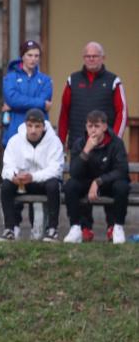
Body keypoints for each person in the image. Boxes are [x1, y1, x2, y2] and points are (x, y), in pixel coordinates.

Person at [57, 41, 129, 241]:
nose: (91, 59)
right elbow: (64, 112)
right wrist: (61, 141)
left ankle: (112, 227)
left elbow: (122, 111)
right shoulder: (72, 80)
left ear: (102, 58)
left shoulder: (113, 81)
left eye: (95, 56)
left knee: (112, 183)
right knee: (79, 181)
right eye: (87, 56)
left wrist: (113, 140)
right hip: (80, 144)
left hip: (107, 146)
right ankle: (84, 228)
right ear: (83, 58)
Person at [0, 108, 65, 242]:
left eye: (37, 126)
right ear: (25, 125)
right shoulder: (15, 140)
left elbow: (56, 169)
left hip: (42, 182)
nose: (33, 130)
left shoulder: (54, 141)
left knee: (53, 185)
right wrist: (14, 176)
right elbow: (7, 167)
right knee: (6, 186)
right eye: (30, 126)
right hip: (21, 182)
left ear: (43, 127)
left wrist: (33, 177)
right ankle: (9, 229)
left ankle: (52, 230)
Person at [62, 110, 130, 245]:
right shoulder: (80, 143)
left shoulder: (116, 143)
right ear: (86, 127)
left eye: (97, 126)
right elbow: (74, 172)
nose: (93, 130)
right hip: (86, 183)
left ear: (104, 127)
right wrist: (86, 150)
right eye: (90, 126)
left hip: (108, 183)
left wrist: (99, 181)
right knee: (70, 185)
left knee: (122, 186)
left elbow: (122, 170)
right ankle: (75, 227)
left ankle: (118, 227)